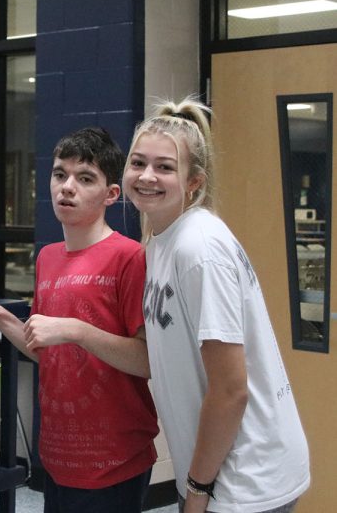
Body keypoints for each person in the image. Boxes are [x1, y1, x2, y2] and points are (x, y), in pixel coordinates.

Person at [0, 127, 159, 513]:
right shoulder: (47, 256)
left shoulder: (129, 258)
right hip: (60, 455)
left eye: (85, 179)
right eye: (59, 174)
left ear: (111, 194)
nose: (67, 187)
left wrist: (76, 330)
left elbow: (148, 360)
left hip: (115, 457)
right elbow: (46, 351)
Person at [122, 98, 310, 513]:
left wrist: (196, 490)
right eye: (138, 162)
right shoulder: (161, 240)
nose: (147, 176)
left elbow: (230, 390)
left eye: (165, 167)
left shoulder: (198, 247)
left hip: (245, 480)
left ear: (194, 181)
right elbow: (160, 357)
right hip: (218, 471)